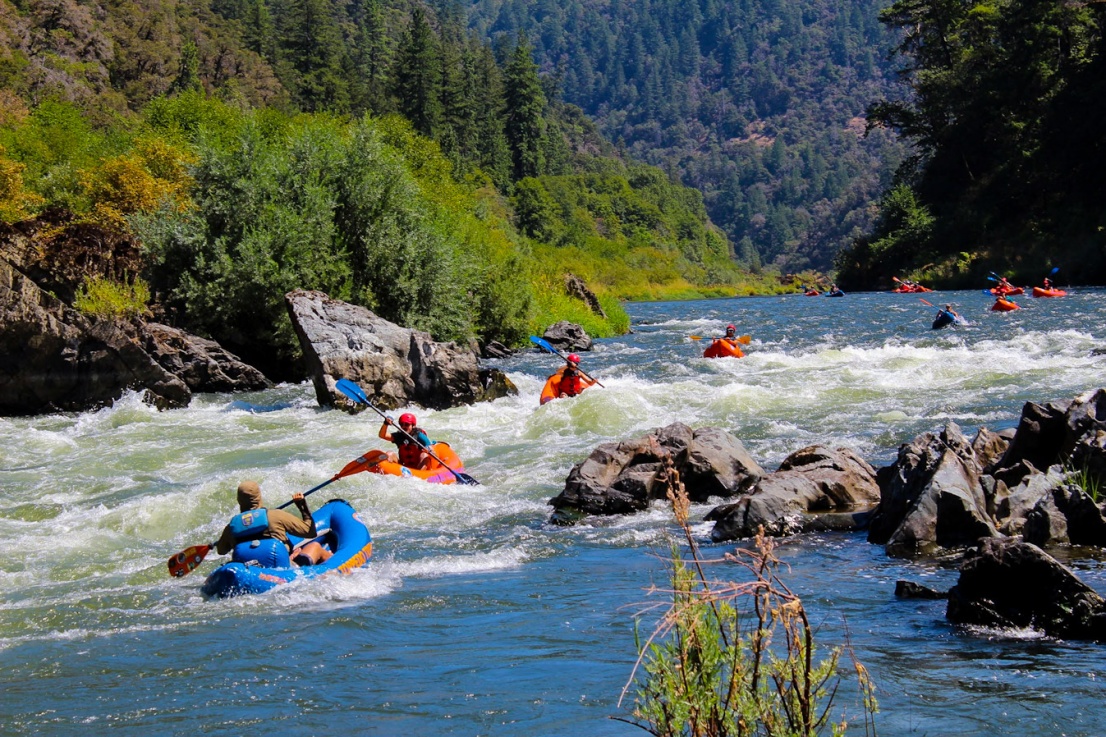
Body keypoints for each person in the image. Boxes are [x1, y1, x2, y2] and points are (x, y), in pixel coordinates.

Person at [214, 480, 331, 567]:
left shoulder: (232, 527)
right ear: (259, 497)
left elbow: (221, 550)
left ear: (239, 500)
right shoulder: (275, 515)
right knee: (315, 547)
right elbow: (309, 532)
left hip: (249, 571)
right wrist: (303, 507)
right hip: (282, 570)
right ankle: (342, 570)